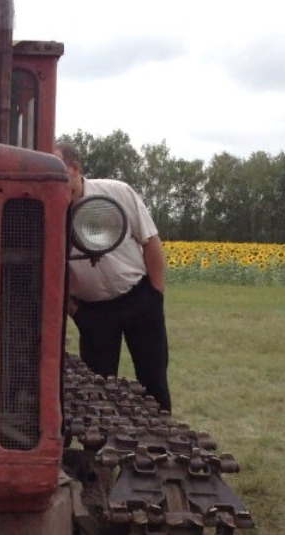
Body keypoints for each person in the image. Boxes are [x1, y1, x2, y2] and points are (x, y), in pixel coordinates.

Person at [55, 141, 172, 412]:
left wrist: (155, 293)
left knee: (153, 380)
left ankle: (162, 446)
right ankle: (98, 451)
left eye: (61, 175)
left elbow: (150, 241)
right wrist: (76, 312)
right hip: (93, 313)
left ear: (75, 168)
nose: (58, 186)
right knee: (97, 389)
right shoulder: (46, 212)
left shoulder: (118, 193)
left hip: (139, 299)